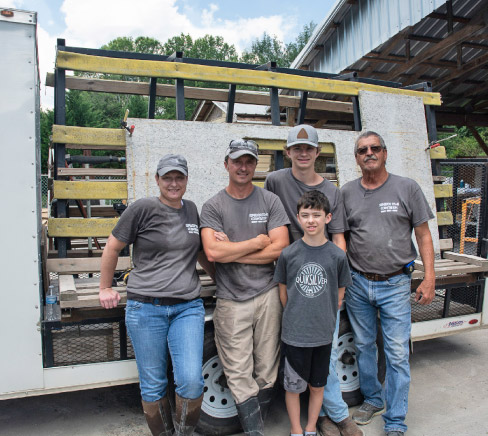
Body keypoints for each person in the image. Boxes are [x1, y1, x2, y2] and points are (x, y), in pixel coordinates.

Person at [99, 154, 215, 436]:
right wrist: (105, 287)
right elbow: (112, 247)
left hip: (187, 308)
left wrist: (222, 280)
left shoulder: (192, 210)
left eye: (179, 177)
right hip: (145, 308)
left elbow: (199, 251)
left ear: (186, 180)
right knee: (153, 383)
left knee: (190, 381)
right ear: (157, 180)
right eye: (167, 177)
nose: (173, 183)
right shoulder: (142, 208)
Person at [265, 124, 362, 436]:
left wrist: (337, 284)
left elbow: (339, 239)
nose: (302, 153)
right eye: (297, 148)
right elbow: (265, 219)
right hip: (289, 276)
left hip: (322, 282)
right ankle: (317, 418)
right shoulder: (275, 180)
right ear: (288, 152)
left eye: (309, 148)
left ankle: (330, 415)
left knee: (326, 353)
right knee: (296, 354)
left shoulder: (332, 191)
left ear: (318, 153)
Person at [342, 131, 435, 436]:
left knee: (396, 353)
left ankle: (395, 420)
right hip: (357, 282)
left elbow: (423, 235)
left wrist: (429, 277)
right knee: (365, 346)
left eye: (374, 148)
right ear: (356, 158)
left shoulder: (406, 188)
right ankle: (372, 399)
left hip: (395, 283)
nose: (368, 153)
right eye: (362, 150)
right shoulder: (347, 193)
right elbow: (341, 238)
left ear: (384, 153)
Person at [200, 139, 290, 436]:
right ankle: (255, 433)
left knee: (267, 369)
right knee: (238, 371)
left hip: (267, 295)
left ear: (255, 165)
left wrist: (234, 252)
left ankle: (257, 426)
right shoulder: (213, 206)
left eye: (249, 161)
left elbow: (280, 248)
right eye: (237, 161)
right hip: (231, 299)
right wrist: (256, 241)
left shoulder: (269, 201)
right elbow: (212, 254)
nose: (243, 166)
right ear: (226, 164)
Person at [274, 190, 352, 436]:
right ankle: (296, 429)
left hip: (323, 335)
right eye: (305, 215)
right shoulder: (288, 254)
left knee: (318, 387)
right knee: (294, 388)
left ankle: (310, 428)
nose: (310, 220)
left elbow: (339, 294)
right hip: (295, 335)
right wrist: (298, 316)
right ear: (297, 218)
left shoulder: (337, 256)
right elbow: (284, 294)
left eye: (316, 215)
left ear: (328, 218)